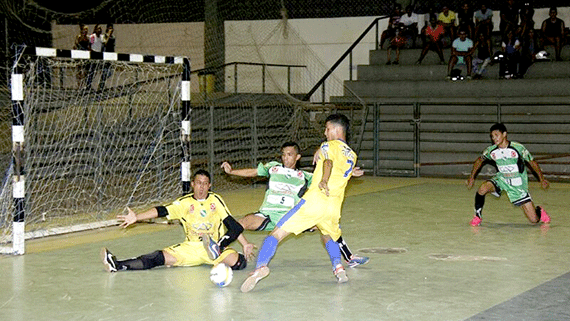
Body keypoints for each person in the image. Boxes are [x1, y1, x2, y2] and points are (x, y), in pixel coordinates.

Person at [240, 114, 363, 292]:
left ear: (336, 129)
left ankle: (260, 267)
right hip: (333, 208)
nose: (325, 132)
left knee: (275, 235)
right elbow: (340, 169)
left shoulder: (328, 145)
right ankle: (339, 269)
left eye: (327, 128)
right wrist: (350, 173)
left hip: (315, 201)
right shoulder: (352, 154)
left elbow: (328, 162)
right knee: (328, 234)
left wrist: (323, 180)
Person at [221, 141, 369, 268]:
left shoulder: (305, 176)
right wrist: (232, 171)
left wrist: (348, 173)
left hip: (293, 217)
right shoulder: (273, 168)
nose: (285, 158)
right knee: (243, 221)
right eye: (283, 154)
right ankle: (219, 247)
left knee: (326, 227)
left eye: (289, 154)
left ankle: (348, 257)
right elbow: (253, 172)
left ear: (297, 157)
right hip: (268, 215)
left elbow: (329, 176)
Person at [100, 169, 251, 272]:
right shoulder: (184, 202)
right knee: (157, 258)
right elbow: (161, 210)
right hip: (190, 248)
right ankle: (118, 265)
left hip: (215, 247)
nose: (202, 187)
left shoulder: (215, 200)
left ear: (209, 185)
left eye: (205, 184)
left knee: (240, 263)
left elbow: (234, 227)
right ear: (192, 184)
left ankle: (217, 260)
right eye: (199, 183)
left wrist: (224, 245)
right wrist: (137, 217)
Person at [466, 123, 551, 227]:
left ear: (504, 134)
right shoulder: (491, 150)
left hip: (518, 186)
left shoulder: (518, 148)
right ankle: (477, 217)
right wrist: (472, 177)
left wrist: (541, 179)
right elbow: (479, 161)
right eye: (492, 136)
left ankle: (539, 211)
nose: (494, 138)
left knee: (534, 220)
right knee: (482, 188)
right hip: (501, 180)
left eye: (496, 135)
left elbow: (532, 163)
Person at [99, 24, 116, 91]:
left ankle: (102, 83)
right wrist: (108, 35)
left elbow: (113, 46)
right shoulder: (104, 36)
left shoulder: (113, 37)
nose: (111, 30)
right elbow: (105, 43)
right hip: (105, 56)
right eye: (109, 28)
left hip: (111, 56)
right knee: (105, 71)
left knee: (110, 72)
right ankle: (101, 85)